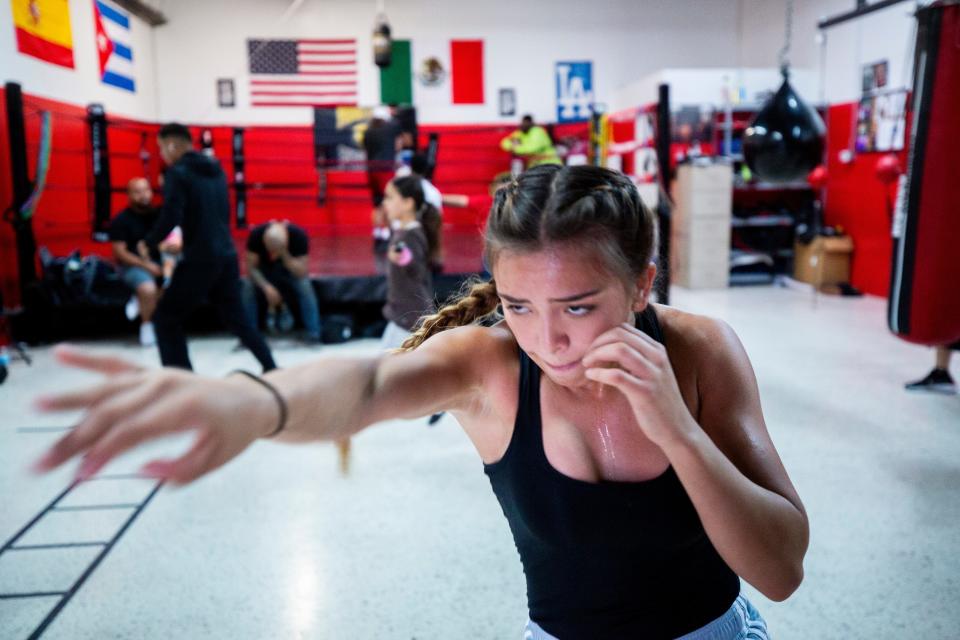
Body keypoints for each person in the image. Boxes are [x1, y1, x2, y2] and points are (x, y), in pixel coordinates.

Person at [35, 165, 807, 639]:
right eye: (519, 306)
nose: (550, 341)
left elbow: (780, 570)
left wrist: (678, 433)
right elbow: (371, 384)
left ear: (642, 283)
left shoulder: (701, 350)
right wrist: (254, 402)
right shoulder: (491, 364)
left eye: (578, 307)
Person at [140, 123, 276, 373]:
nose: (162, 154)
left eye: (161, 148)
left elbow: (172, 216)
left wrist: (148, 242)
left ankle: (181, 381)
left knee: (165, 318)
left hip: (201, 258)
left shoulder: (178, 173)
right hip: (226, 255)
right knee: (237, 319)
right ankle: (272, 367)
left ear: (172, 144)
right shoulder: (216, 169)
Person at [380, 176, 439, 350]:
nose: (385, 203)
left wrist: (404, 258)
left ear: (407, 203)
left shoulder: (411, 235)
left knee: (387, 366)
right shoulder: (404, 230)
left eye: (390, 198)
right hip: (404, 315)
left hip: (411, 316)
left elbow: (416, 267)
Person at [242, 220, 322, 344]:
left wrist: (284, 255)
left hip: (290, 270)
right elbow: (251, 268)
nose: (272, 256)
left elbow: (301, 272)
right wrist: (266, 287)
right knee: (247, 287)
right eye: (270, 251)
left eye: (275, 252)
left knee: (305, 286)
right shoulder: (257, 235)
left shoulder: (298, 236)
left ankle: (314, 333)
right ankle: (248, 336)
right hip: (265, 271)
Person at [108, 177, 162, 346]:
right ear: (129, 195)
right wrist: (146, 265)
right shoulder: (121, 220)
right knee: (148, 289)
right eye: (137, 192)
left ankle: (141, 302)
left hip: (161, 262)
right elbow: (120, 253)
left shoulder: (160, 215)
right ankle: (147, 326)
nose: (143, 195)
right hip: (133, 265)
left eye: (146, 190)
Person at [363, 106, 401, 255]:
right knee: (389, 201)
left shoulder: (368, 131)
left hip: (371, 170)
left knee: (377, 204)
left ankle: (378, 234)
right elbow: (399, 145)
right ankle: (389, 234)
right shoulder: (390, 127)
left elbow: (366, 150)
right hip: (385, 169)